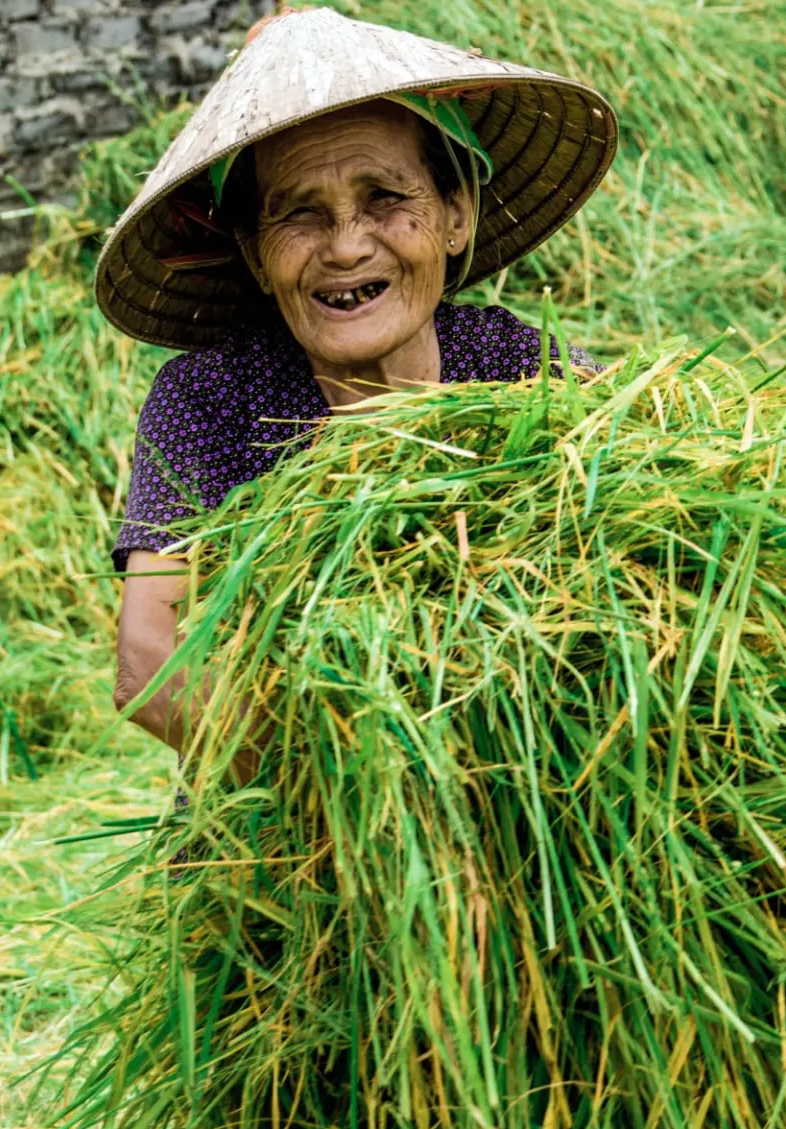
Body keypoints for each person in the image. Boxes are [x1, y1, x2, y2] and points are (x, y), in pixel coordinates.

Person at [92, 9, 618, 755]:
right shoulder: (212, 403)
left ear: (455, 216)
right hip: (287, 826)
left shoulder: (521, 371)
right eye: (298, 214)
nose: (345, 244)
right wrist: (352, 800)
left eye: (386, 198)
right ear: (253, 254)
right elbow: (149, 664)